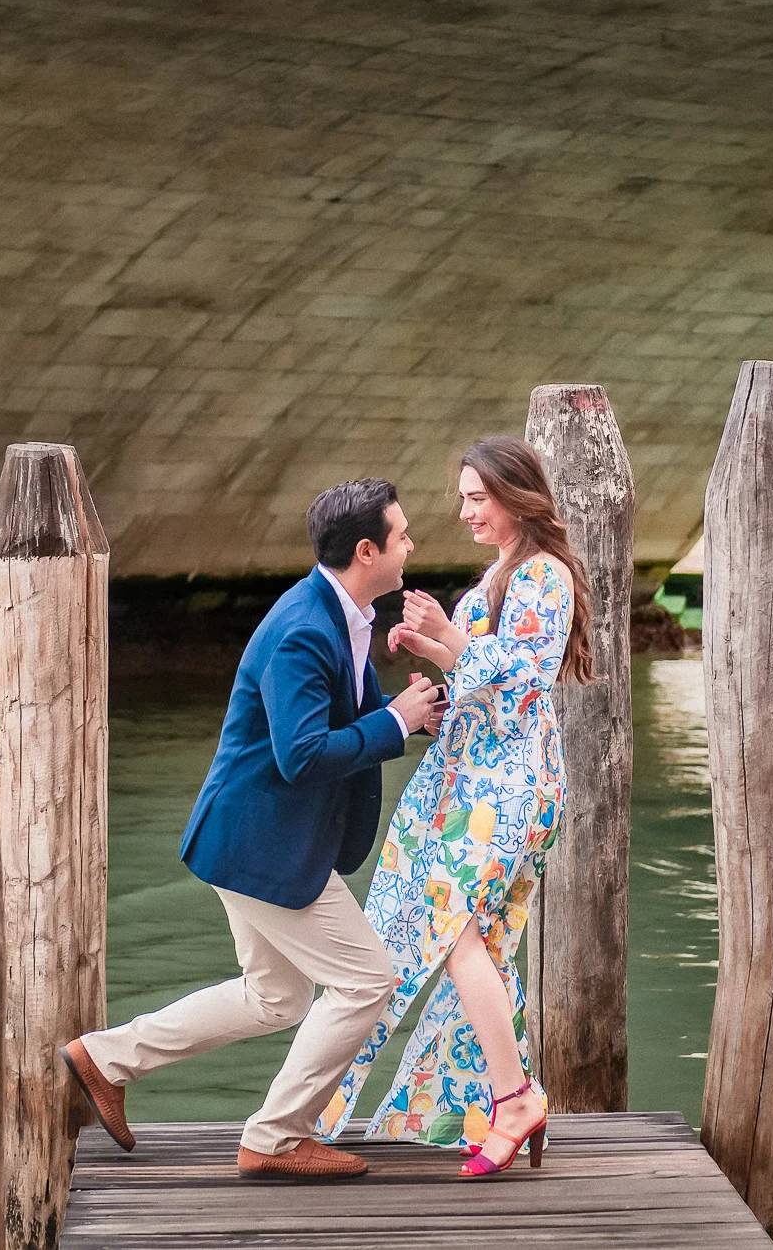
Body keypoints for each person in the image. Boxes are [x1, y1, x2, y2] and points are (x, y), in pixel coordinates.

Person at [59, 478, 447, 1181]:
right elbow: (301, 756)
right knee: (367, 981)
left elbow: (322, 730)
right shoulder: (303, 628)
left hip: (249, 839)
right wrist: (395, 722)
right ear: (368, 550)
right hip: (263, 845)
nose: (411, 544)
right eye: (403, 534)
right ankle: (274, 1136)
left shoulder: (342, 611)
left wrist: (400, 713)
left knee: (276, 997)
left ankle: (105, 1057)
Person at [313, 435, 594, 1179]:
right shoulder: (506, 571)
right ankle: (489, 1101)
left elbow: (525, 679)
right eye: (464, 495)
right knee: (461, 929)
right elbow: (484, 677)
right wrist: (437, 658)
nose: (465, 509)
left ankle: (513, 1096)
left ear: (515, 496)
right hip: (472, 779)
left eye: (478, 496)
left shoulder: (544, 575)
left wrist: (450, 636)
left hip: (507, 785)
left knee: (452, 920)